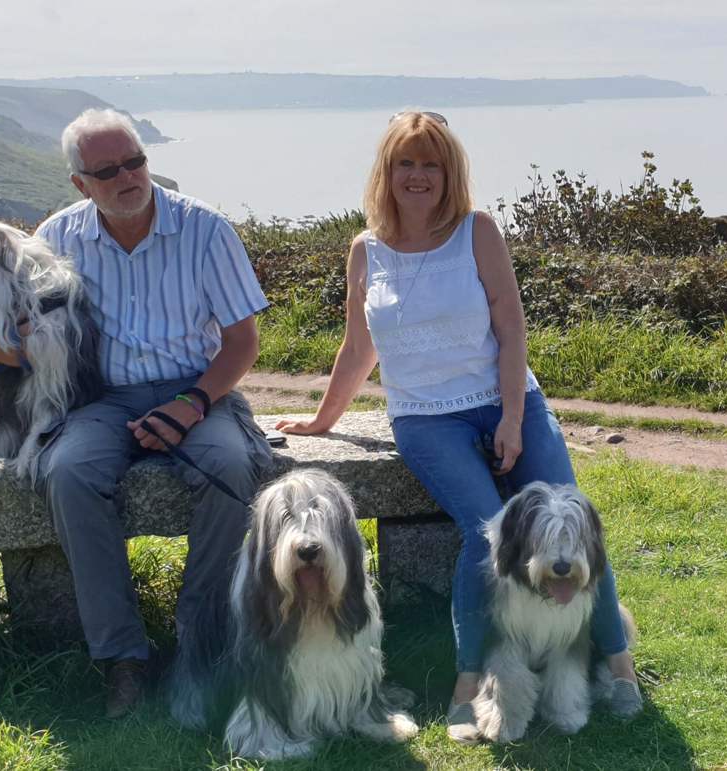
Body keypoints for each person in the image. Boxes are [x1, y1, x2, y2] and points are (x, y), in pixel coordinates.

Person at [275, 111, 642, 741]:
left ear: (450, 173)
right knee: (489, 536)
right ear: (386, 172)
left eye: (432, 164)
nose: (418, 176)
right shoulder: (366, 249)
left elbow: (510, 327)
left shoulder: (477, 231)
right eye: (406, 163)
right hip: (424, 417)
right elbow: (358, 347)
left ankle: (620, 665)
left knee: (576, 518)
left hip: (503, 398)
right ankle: (470, 683)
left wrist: (514, 417)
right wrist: (322, 419)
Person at [0, 108, 272, 718]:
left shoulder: (206, 230)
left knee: (232, 464)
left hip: (198, 388)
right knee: (68, 473)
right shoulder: (56, 237)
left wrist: (190, 405)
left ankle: (203, 640)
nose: (126, 177)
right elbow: (14, 335)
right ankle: (124, 658)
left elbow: (243, 342)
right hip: (98, 399)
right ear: (80, 183)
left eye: (134, 161)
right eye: (106, 170)